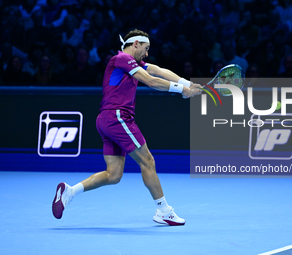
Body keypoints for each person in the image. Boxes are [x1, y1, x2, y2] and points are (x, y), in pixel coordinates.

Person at [52, 29, 202, 225]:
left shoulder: (133, 63)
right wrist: (182, 90)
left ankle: (70, 191)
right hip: (117, 117)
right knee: (147, 161)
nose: (147, 54)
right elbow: (150, 81)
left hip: (106, 120)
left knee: (113, 175)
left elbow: (157, 70)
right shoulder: (121, 58)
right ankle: (163, 211)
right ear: (136, 44)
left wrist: (188, 83)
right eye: (146, 48)